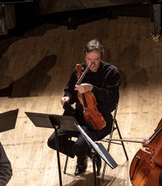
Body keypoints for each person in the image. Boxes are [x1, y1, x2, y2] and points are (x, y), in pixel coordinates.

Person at [47, 39, 120, 175]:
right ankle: (90, 152)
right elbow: (69, 91)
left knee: (79, 145)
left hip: (100, 120)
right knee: (53, 141)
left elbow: (111, 98)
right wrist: (67, 97)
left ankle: (81, 160)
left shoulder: (111, 72)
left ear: (101, 57)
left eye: (96, 59)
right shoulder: (79, 72)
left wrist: (92, 88)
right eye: (89, 59)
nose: (92, 64)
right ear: (85, 57)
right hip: (78, 117)